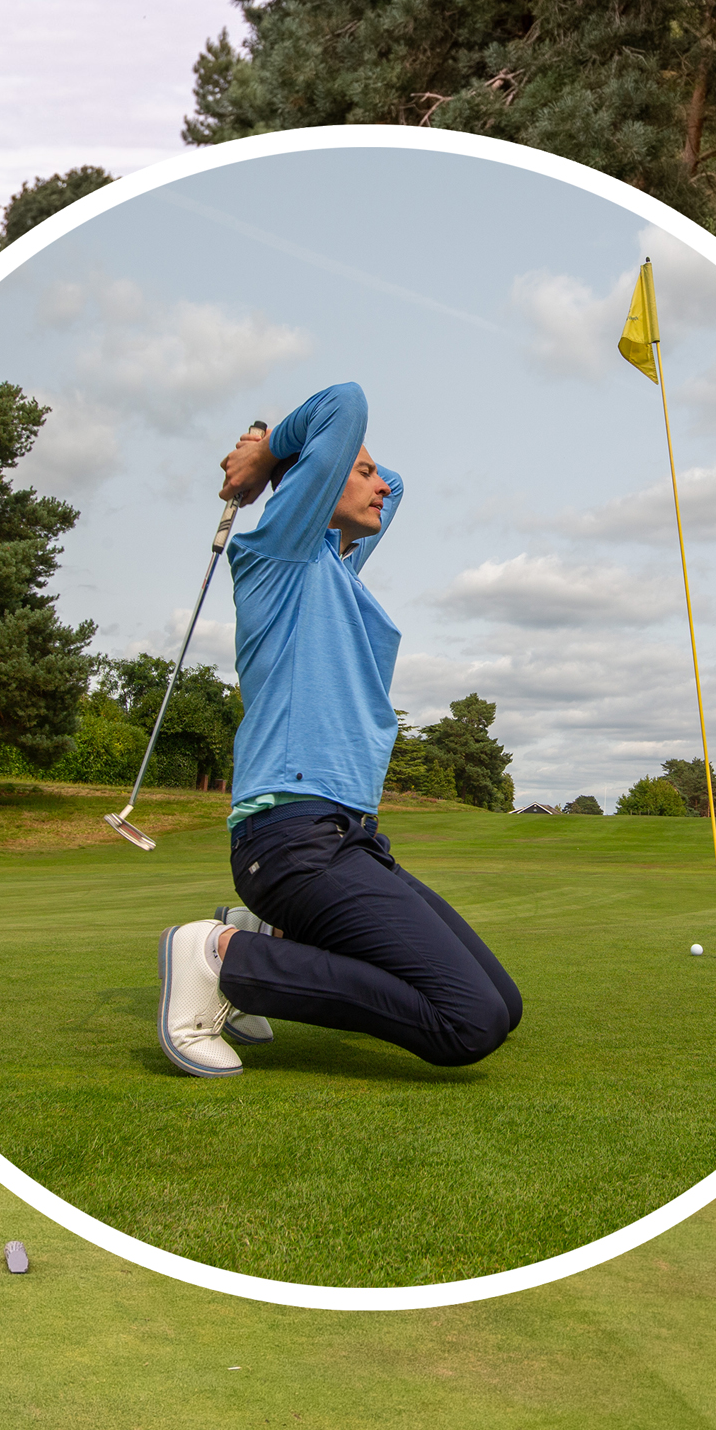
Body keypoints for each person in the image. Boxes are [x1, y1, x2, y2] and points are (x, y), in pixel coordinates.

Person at [156, 382, 522, 1077]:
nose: (381, 485)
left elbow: (399, 485)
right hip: (292, 838)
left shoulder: (333, 566)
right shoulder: (279, 558)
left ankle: (264, 937)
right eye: (360, 472)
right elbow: (345, 403)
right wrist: (270, 454)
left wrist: (292, 457)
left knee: (504, 1006)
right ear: (310, 491)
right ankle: (218, 958)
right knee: (467, 1023)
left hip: (347, 839)